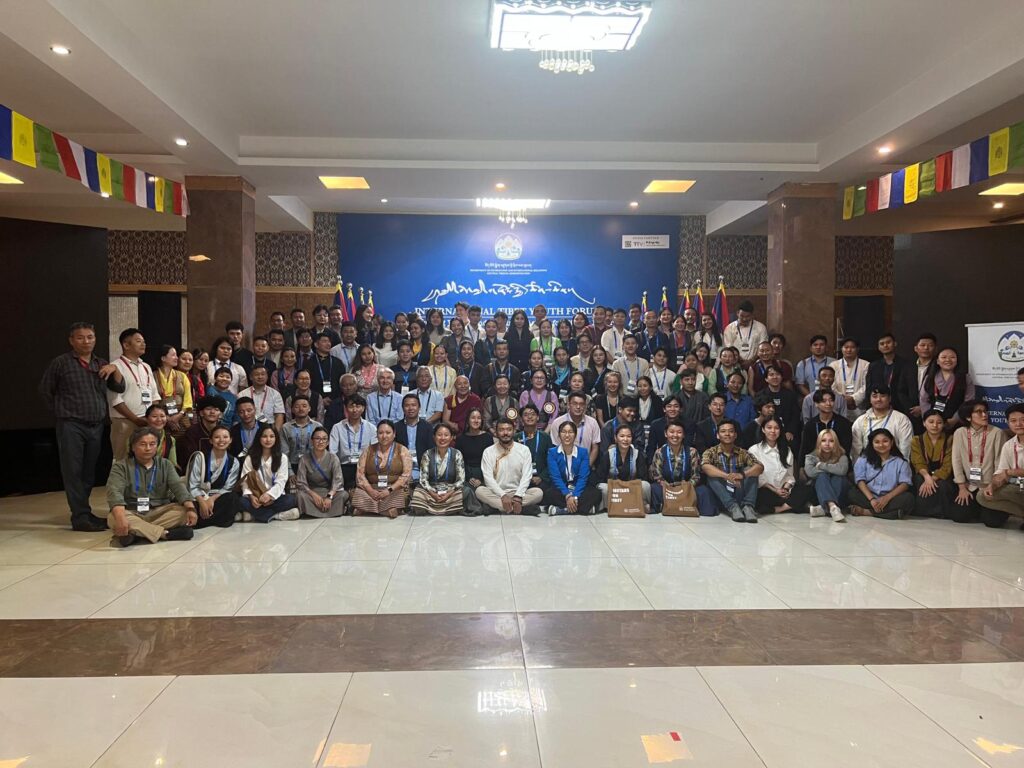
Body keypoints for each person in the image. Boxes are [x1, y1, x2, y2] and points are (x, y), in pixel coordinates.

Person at [39, 321, 126, 531]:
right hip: (71, 425)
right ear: (71, 340)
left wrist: (114, 369)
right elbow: (45, 391)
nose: (86, 341)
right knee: (73, 471)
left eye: (90, 337)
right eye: (81, 337)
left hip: (96, 425)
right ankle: (79, 516)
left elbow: (119, 386)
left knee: (88, 472)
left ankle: (84, 512)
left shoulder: (100, 363)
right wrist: (62, 413)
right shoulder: (61, 363)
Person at [106, 427, 197, 546]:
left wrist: (191, 509)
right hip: (132, 510)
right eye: (142, 444)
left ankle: (136, 532)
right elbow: (115, 492)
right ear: (133, 447)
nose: (148, 448)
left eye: (152, 444)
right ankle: (165, 534)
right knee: (113, 518)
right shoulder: (121, 467)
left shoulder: (165, 464)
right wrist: (121, 517)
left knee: (183, 512)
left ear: (157, 446)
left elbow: (178, 487)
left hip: (159, 510)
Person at [951, 400, 1006, 524]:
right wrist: (961, 487)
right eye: (979, 412)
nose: (984, 415)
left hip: (990, 486)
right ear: (968, 417)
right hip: (970, 486)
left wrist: (993, 485)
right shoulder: (960, 433)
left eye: (985, 411)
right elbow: (956, 460)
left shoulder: (997, 433)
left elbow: (1000, 463)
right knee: (959, 516)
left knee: (993, 522)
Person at [108, 328, 156, 460]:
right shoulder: (115, 367)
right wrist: (136, 420)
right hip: (125, 422)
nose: (143, 344)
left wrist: (152, 417)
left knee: (145, 458)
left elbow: (154, 396)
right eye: (138, 341)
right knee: (123, 459)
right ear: (126, 345)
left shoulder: (146, 366)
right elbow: (115, 401)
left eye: (144, 342)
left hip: (146, 421)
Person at [478, 418, 544, 514]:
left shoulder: (524, 450)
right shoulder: (488, 451)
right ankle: (520, 508)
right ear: (496, 432)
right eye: (501, 430)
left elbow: (527, 475)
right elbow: (488, 478)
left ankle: (499, 508)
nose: (505, 433)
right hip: (497, 494)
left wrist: (518, 496)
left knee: (538, 493)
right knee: (479, 491)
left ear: (514, 431)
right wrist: (503, 495)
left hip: (518, 492)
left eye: (509, 430)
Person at [701, 420, 763, 522]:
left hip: (738, 491)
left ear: (735, 435)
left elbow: (760, 467)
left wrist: (742, 475)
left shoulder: (742, 452)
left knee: (752, 470)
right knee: (712, 475)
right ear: (717, 435)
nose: (727, 434)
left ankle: (748, 507)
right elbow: (705, 467)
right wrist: (727, 476)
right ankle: (733, 507)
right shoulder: (711, 452)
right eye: (723, 431)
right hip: (721, 494)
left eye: (730, 431)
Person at [648, 420, 714, 516]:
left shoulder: (692, 451)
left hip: (687, 487)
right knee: (654, 488)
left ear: (683, 435)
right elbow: (657, 476)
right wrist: (668, 486)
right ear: (666, 434)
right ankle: (664, 507)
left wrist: (685, 487)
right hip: (667, 488)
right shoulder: (660, 452)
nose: (675, 435)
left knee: (703, 491)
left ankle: (691, 506)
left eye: (679, 432)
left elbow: (696, 476)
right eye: (671, 432)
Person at [351, 419, 413, 518]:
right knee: (356, 493)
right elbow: (360, 474)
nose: (384, 436)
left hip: (393, 490)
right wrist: (370, 491)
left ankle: (368, 509)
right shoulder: (368, 450)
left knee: (402, 495)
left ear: (394, 434)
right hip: (372, 489)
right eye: (381, 433)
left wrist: (389, 490)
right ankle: (386, 510)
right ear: (376, 434)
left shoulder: (402, 450)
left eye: (388, 433)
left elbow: (406, 475)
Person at [749, 417, 811, 514]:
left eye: (776, 428)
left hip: (784, 491)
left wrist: (785, 489)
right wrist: (775, 490)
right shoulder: (754, 450)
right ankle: (794, 505)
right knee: (760, 495)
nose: (773, 431)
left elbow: (790, 476)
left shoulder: (787, 450)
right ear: (763, 429)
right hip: (767, 490)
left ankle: (779, 509)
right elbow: (758, 478)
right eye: (769, 428)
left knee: (805, 488)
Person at [849, 428, 915, 519]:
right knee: (851, 493)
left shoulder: (901, 462)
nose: (881, 445)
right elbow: (860, 481)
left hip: (891, 498)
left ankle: (867, 512)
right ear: (872, 444)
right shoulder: (863, 459)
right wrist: (872, 499)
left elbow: (905, 484)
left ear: (891, 442)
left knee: (908, 498)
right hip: (868, 497)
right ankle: (890, 514)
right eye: (877, 442)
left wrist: (887, 498)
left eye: (885, 441)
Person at [184, 425, 241, 528]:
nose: (221, 440)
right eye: (217, 437)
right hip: (199, 496)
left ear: (230, 440)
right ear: (210, 440)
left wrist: (212, 500)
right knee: (188, 505)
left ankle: (204, 520)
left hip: (218, 497)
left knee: (233, 498)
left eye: (225, 437)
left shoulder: (234, 462)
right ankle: (218, 519)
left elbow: (228, 487)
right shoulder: (200, 457)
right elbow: (193, 485)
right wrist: (202, 502)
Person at [238, 424, 299, 522]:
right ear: (259, 438)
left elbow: (281, 482)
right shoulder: (250, 458)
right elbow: (245, 481)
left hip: (275, 497)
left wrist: (270, 496)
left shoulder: (282, 458)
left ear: (276, 438)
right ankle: (277, 515)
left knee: (291, 500)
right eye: (264, 436)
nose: (268, 439)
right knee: (241, 501)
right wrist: (251, 496)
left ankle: (256, 515)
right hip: (256, 497)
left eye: (272, 436)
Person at [977, 403, 1024, 528]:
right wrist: (992, 485)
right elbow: (1000, 473)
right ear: (1008, 423)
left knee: (1012, 489)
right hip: (1018, 486)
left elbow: (1006, 472)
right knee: (982, 496)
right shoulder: (1009, 445)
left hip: (1018, 485)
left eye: (1022, 420)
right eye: (1013, 421)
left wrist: (1010, 473)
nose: (1018, 424)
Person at [409, 423, 466, 516]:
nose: (442, 438)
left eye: (446, 435)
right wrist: (433, 494)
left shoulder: (457, 454)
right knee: (418, 493)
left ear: (451, 437)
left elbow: (461, 480)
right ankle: (449, 508)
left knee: (464, 492)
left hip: (450, 490)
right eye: (439, 435)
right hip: (431, 490)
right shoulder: (427, 454)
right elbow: (423, 480)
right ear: (434, 437)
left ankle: (432, 508)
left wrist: (448, 494)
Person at [546, 420, 601, 515]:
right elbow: (556, 477)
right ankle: (584, 509)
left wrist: (575, 496)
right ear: (559, 435)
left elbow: (582, 477)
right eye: (563, 432)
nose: (567, 435)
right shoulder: (552, 453)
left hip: (578, 487)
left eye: (570, 432)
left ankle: (563, 510)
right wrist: (567, 495)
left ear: (575, 435)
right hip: (562, 488)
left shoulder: (583, 452)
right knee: (549, 494)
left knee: (596, 493)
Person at [596, 421, 652, 513]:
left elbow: (642, 477)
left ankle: (638, 505)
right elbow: (600, 477)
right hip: (614, 490)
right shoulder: (608, 454)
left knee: (645, 486)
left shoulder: (637, 454)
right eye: (622, 436)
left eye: (628, 436)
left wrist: (630, 485)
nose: (625, 439)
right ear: (616, 438)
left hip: (631, 488)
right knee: (602, 487)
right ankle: (609, 507)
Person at [910, 409, 956, 519]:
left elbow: (948, 465)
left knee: (942, 485)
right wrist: (927, 477)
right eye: (931, 422)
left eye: (939, 422)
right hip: (924, 473)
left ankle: (941, 513)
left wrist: (933, 478)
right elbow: (918, 462)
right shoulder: (916, 440)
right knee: (919, 481)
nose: (935, 425)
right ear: (924, 423)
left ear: (944, 424)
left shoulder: (950, 439)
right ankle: (922, 512)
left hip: (943, 474)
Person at [295, 426, 348, 518]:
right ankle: (329, 511)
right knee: (300, 495)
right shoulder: (304, 459)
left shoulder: (333, 458)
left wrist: (329, 496)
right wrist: (313, 495)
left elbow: (338, 481)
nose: (321, 441)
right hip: (311, 493)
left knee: (343, 494)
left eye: (324, 439)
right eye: (317, 438)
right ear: (312, 441)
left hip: (328, 491)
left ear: (327, 442)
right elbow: (301, 482)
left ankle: (318, 510)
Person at [851, 385, 913, 461]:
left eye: (883, 396)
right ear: (870, 399)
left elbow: (905, 447)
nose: (878, 399)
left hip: (894, 465)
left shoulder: (902, 419)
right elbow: (856, 450)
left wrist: (900, 466)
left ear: (889, 398)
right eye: (875, 396)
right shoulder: (860, 421)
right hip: (868, 465)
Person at [329, 394, 376, 489]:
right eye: (351, 406)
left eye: (358, 406)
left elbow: (375, 452)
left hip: (365, 468)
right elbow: (332, 452)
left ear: (363, 408)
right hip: (344, 467)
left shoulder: (371, 428)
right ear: (345, 408)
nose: (355, 410)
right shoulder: (337, 427)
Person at [920, 347, 975, 427]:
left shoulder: (965, 378)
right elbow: (923, 400)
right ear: (938, 361)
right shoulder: (929, 378)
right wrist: (929, 419)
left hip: (957, 423)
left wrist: (955, 419)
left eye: (952, 357)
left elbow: (968, 402)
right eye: (944, 357)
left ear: (957, 361)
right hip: (933, 424)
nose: (948, 360)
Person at [804, 428, 850, 522]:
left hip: (841, 491)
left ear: (836, 443)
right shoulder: (811, 456)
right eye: (823, 440)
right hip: (818, 492)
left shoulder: (842, 456)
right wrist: (832, 470)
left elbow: (842, 471)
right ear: (819, 443)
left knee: (838, 477)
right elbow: (810, 472)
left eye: (831, 441)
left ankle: (824, 508)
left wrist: (822, 465)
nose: (827, 444)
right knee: (822, 477)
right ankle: (833, 507)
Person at [799, 389, 853, 464]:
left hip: (838, 463)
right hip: (816, 463)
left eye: (831, 400)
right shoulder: (810, 425)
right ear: (816, 404)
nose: (828, 403)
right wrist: (801, 467)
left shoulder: (844, 423)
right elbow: (805, 448)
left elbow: (846, 448)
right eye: (824, 401)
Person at [547, 392, 601, 466]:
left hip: (585, 466)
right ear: (569, 405)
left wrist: (586, 467)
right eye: (575, 403)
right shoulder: (557, 423)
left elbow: (595, 448)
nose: (578, 407)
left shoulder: (592, 423)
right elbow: (555, 448)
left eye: (581, 404)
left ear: (585, 406)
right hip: (563, 466)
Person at [394, 392, 435, 483]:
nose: (410, 408)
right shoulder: (396, 427)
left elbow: (431, 450)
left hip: (421, 466)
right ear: (403, 408)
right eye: (407, 405)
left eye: (413, 405)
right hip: (402, 467)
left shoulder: (427, 427)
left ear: (419, 407)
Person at [899, 332, 938, 424]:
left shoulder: (939, 367)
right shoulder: (907, 367)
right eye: (922, 345)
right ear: (916, 348)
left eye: (930, 345)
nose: (926, 348)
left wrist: (924, 408)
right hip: (911, 413)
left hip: (933, 414)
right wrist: (911, 408)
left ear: (936, 349)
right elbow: (901, 390)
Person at [864, 333, 909, 412]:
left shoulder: (905, 364)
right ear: (878, 347)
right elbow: (869, 387)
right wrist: (868, 406)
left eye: (888, 342)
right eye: (882, 344)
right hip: (878, 405)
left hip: (900, 406)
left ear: (895, 344)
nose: (885, 345)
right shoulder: (873, 366)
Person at [154, 345, 193, 438]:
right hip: (160, 415)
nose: (177, 358)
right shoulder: (153, 375)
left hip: (181, 415)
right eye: (173, 355)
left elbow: (188, 399)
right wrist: (167, 418)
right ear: (163, 358)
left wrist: (179, 415)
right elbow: (152, 399)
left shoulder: (182, 376)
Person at [281, 395, 322, 474]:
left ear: (309, 408)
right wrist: (290, 472)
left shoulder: (317, 426)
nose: (301, 409)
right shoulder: (286, 427)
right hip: (292, 465)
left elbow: (321, 451)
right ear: (292, 409)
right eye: (297, 406)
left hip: (313, 465)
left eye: (304, 406)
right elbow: (284, 453)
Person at [237, 363, 286, 429]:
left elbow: (279, 415)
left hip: (269, 428)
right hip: (247, 427)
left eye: (263, 374)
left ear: (267, 376)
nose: (260, 377)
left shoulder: (275, 394)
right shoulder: (242, 394)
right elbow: (238, 415)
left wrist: (275, 434)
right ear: (251, 377)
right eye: (257, 374)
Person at [760, 365, 800, 445]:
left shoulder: (790, 395)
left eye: (778, 374)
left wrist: (790, 431)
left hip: (787, 432)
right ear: (766, 379)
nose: (775, 377)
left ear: (781, 377)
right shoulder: (761, 395)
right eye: (771, 375)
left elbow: (795, 415)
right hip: (767, 432)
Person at [830, 338, 868, 418]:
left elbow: (867, 385)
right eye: (846, 347)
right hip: (838, 407)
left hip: (859, 408)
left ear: (857, 349)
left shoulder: (866, 365)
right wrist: (843, 399)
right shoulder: (833, 365)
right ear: (842, 349)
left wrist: (853, 399)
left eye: (852, 347)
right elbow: (831, 385)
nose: (849, 350)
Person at [180, 394, 227, 459]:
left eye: (216, 410)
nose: (212, 412)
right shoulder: (192, 432)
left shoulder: (225, 432)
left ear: (221, 415)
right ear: (201, 413)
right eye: (208, 409)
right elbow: (189, 457)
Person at [722, 300, 768, 365]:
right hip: (735, 363)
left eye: (747, 316)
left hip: (755, 364)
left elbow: (763, 347)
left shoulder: (761, 327)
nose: (744, 319)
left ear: (752, 315)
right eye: (742, 316)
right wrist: (740, 361)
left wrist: (751, 361)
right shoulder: (729, 328)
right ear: (737, 313)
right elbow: (729, 347)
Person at [136, 403, 178, 472]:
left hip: (161, 476)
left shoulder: (170, 440)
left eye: (162, 416)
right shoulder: (137, 438)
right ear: (146, 419)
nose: (159, 419)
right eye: (154, 416)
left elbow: (172, 464)